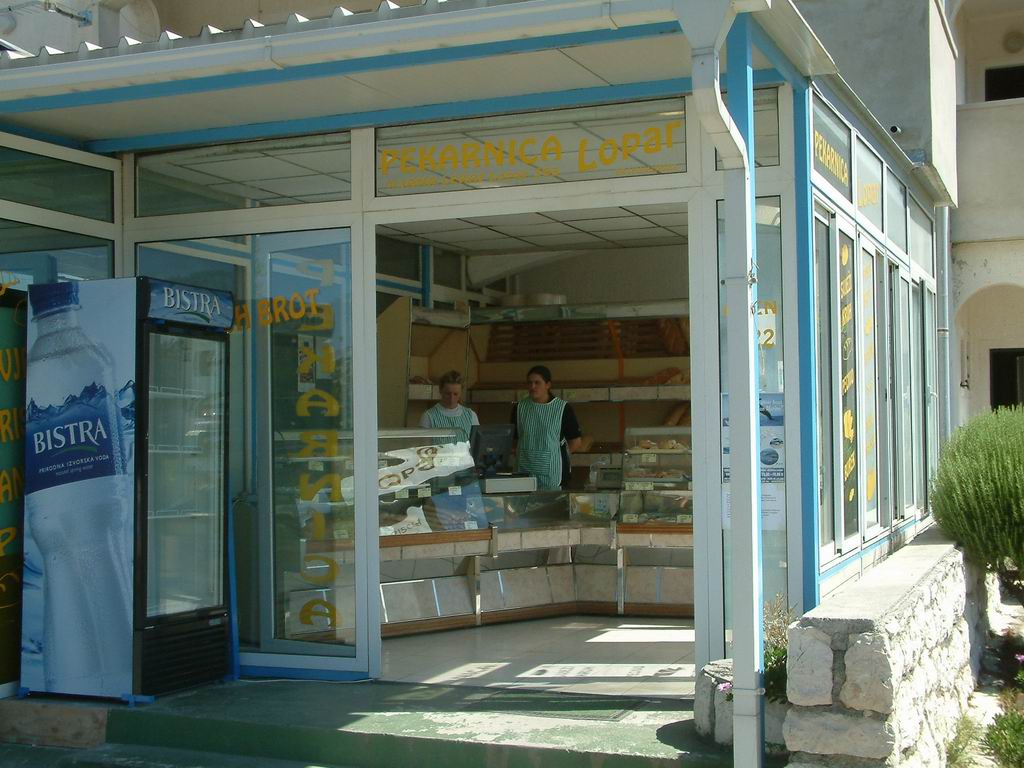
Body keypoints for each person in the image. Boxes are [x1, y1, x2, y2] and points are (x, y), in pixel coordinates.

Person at [510, 365, 582, 489]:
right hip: (524, 470)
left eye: (537, 383)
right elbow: (515, 440)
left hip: (553, 474)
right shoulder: (519, 408)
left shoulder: (563, 409)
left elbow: (576, 442)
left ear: (548, 385)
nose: (532, 387)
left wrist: (555, 456)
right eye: (530, 383)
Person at [418, 370, 478, 442]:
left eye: (455, 394)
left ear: (461, 392)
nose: (451, 398)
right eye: (448, 394)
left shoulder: (471, 415)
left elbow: (476, 443)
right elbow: (424, 446)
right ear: (440, 391)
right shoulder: (428, 417)